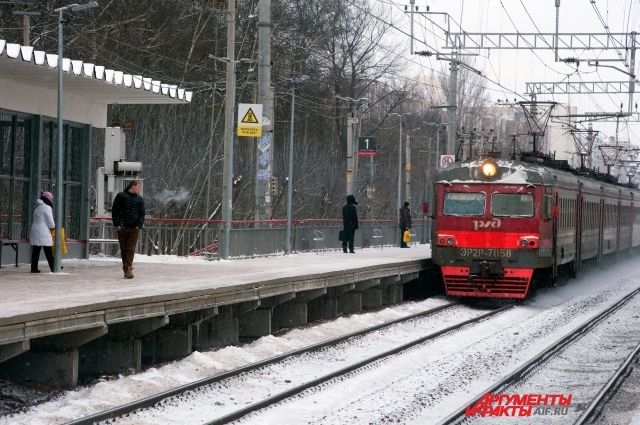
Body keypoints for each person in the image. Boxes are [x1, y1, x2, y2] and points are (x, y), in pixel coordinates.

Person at [112, 180, 145, 279]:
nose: (139, 189)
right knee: (124, 249)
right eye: (138, 187)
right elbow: (115, 210)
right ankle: (126, 269)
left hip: (134, 228)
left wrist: (139, 225)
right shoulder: (121, 196)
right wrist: (117, 224)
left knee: (130, 249)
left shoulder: (140, 199)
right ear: (133, 186)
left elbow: (142, 213)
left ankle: (128, 269)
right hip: (122, 227)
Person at [30, 191, 56, 273]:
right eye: (51, 199)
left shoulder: (37, 206)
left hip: (35, 229)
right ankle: (54, 267)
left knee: (36, 250)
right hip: (43, 231)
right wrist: (53, 226)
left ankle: (33, 268)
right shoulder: (46, 207)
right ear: (48, 199)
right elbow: (50, 222)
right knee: (48, 251)